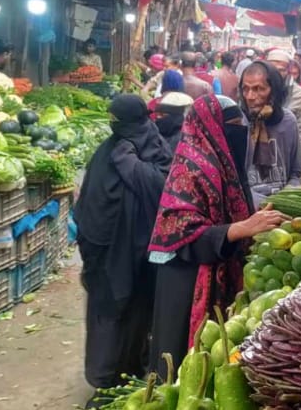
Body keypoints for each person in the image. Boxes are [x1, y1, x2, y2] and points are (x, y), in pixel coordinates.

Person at [147, 95, 287, 376]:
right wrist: (241, 229)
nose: (239, 132)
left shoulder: (223, 163)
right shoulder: (191, 167)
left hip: (218, 267)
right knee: (180, 360)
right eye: (232, 126)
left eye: (240, 125)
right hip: (187, 280)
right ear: (211, 127)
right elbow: (180, 231)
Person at [75, 95, 173, 399]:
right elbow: (89, 200)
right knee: (107, 312)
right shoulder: (109, 149)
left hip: (139, 254)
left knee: (135, 313)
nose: (113, 125)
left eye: (118, 119)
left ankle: (129, 370)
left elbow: (164, 187)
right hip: (105, 253)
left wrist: (130, 165)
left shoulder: (154, 148)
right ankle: (104, 377)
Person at [239, 61, 301, 205]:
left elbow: (296, 172)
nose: (250, 96)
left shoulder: (288, 121)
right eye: (245, 89)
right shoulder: (237, 123)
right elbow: (232, 181)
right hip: (247, 213)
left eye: (258, 89)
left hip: (282, 211)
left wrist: (284, 199)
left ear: (274, 91)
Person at [265, 49, 301, 169]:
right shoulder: (257, 90)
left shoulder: (300, 94)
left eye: (281, 70)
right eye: (272, 69)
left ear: (288, 71)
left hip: (287, 154)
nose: (276, 74)